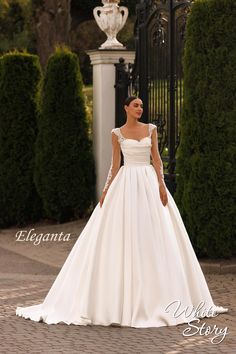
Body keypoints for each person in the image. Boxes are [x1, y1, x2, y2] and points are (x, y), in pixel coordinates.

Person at [16, 96, 228, 328]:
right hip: (125, 184)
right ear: (126, 108)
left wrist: (161, 184)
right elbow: (115, 165)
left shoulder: (151, 129)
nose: (140, 108)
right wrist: (106, 191)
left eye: (141, 106)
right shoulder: (116, 133)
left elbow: (157, 159)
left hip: (148, 183)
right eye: (135, 105)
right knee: (123, 234)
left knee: (155, 235)